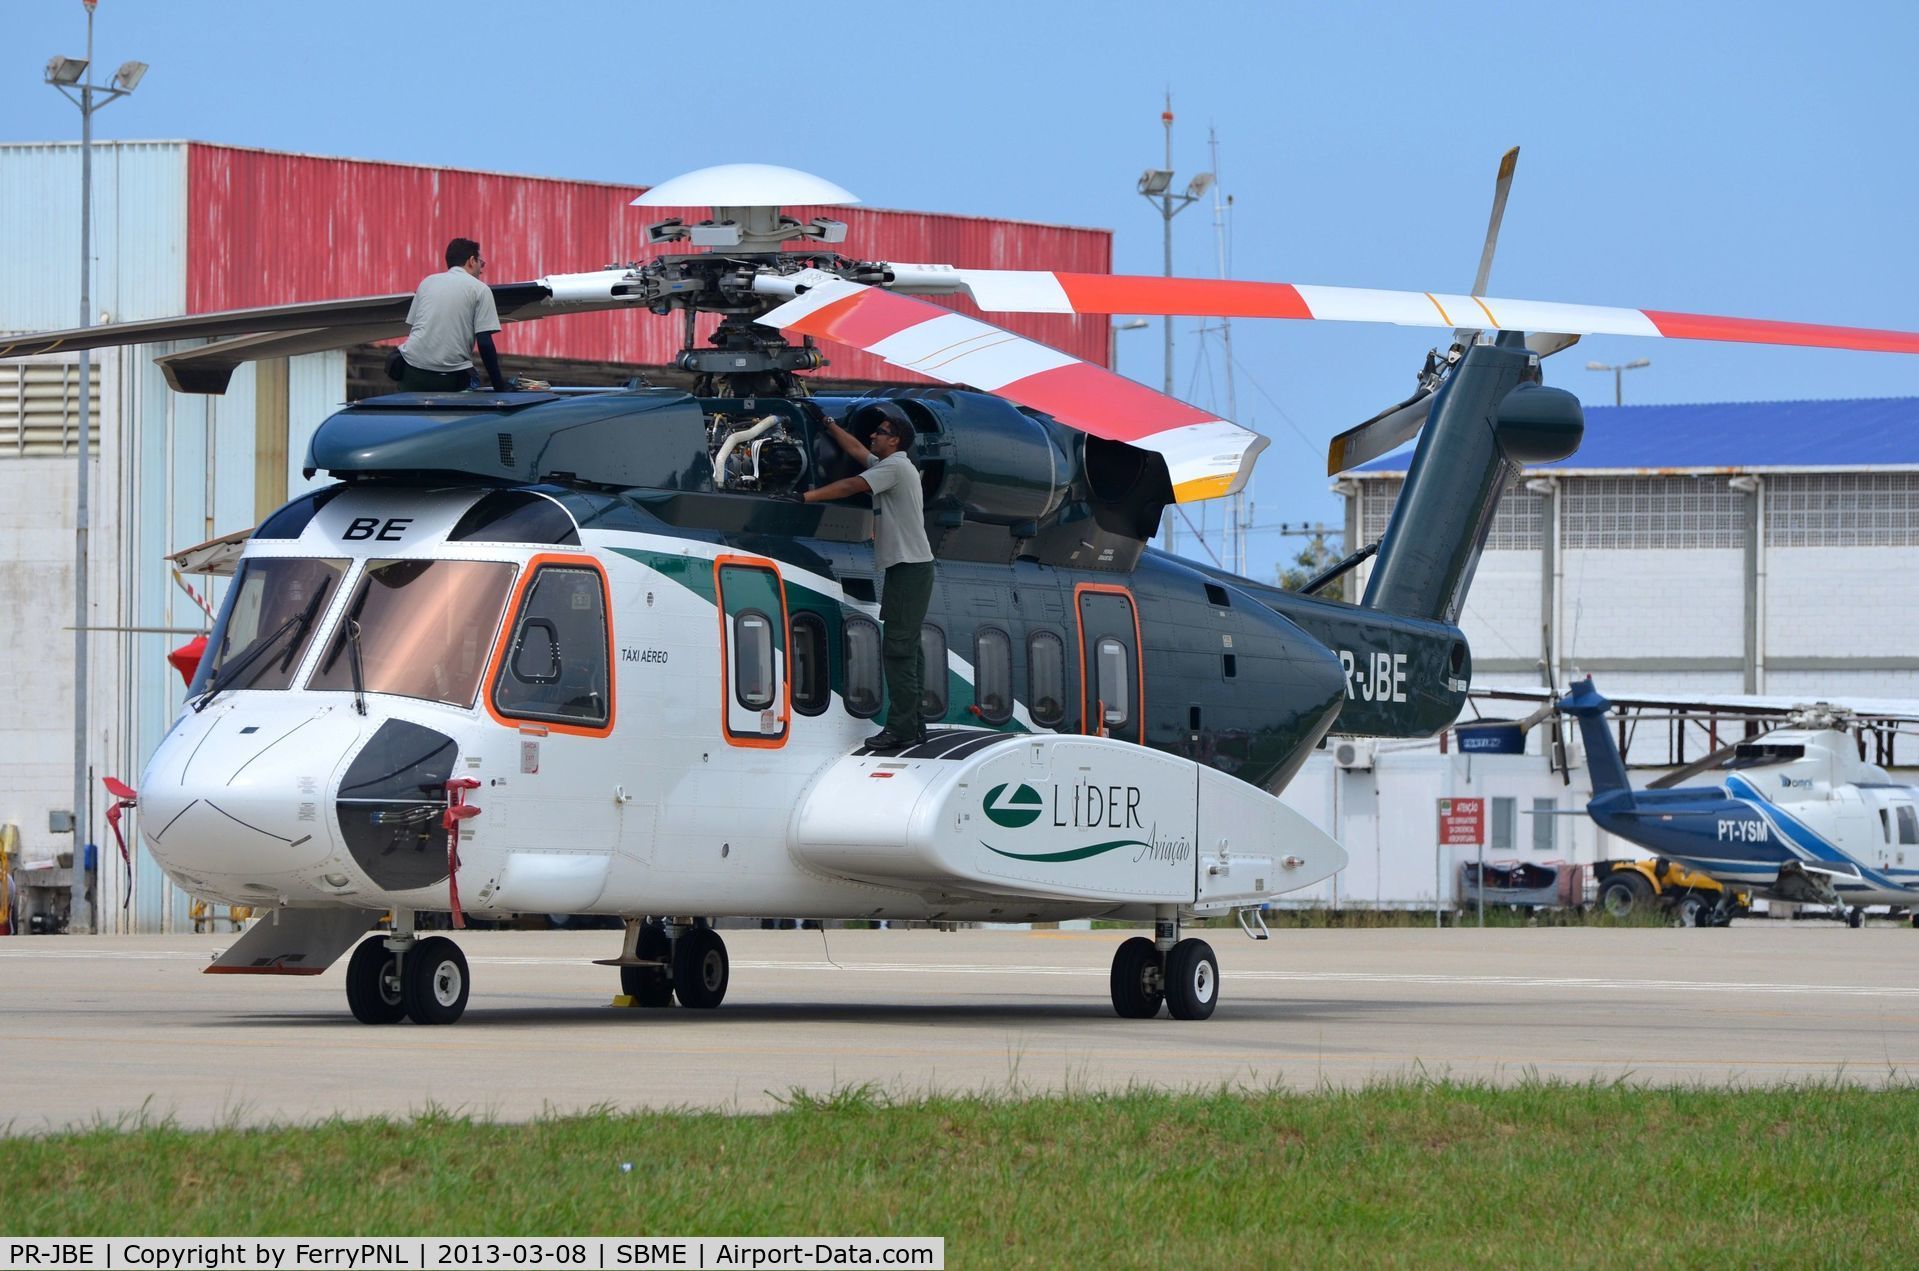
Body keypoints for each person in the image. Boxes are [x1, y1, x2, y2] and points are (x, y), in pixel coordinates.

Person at [800, 403, 935, 749]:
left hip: (909, 568)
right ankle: (915, 723)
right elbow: (857, 451)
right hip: (907, 567)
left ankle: (902, 728)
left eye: (882, 432)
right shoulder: (892, 465)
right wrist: (827, 422)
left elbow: (850, 486)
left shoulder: (895, 469)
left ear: (896, 441)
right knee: (908, 648)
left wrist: (805, 497)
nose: (873, 435)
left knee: (899, 650)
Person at [396, 237, 509, 393]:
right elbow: (484, 343)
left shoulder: (427, 282)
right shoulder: (480, 289)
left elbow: (415, 327)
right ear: (471, 261)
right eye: (480, 263)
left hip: (410, 369)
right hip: (449, 375)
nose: (481, 270)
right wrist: (500, 386)